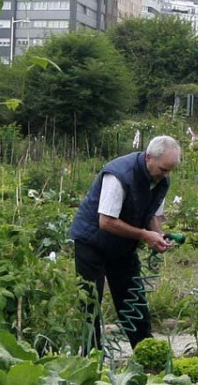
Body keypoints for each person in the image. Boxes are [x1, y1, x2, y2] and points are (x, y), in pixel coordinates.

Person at [70, 135, 182, 352]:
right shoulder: (119, 175)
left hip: (122, 245)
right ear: (149, 157)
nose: (167, 175)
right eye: (164, 169)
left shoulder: (159, 180)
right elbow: (106, 221)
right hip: (92, 241)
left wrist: (159, 235)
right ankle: (91, 359)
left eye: (170, 170)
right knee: (90, 302)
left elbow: (152, 215)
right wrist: (145, 235)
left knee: (133, 300)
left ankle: (146, 354)